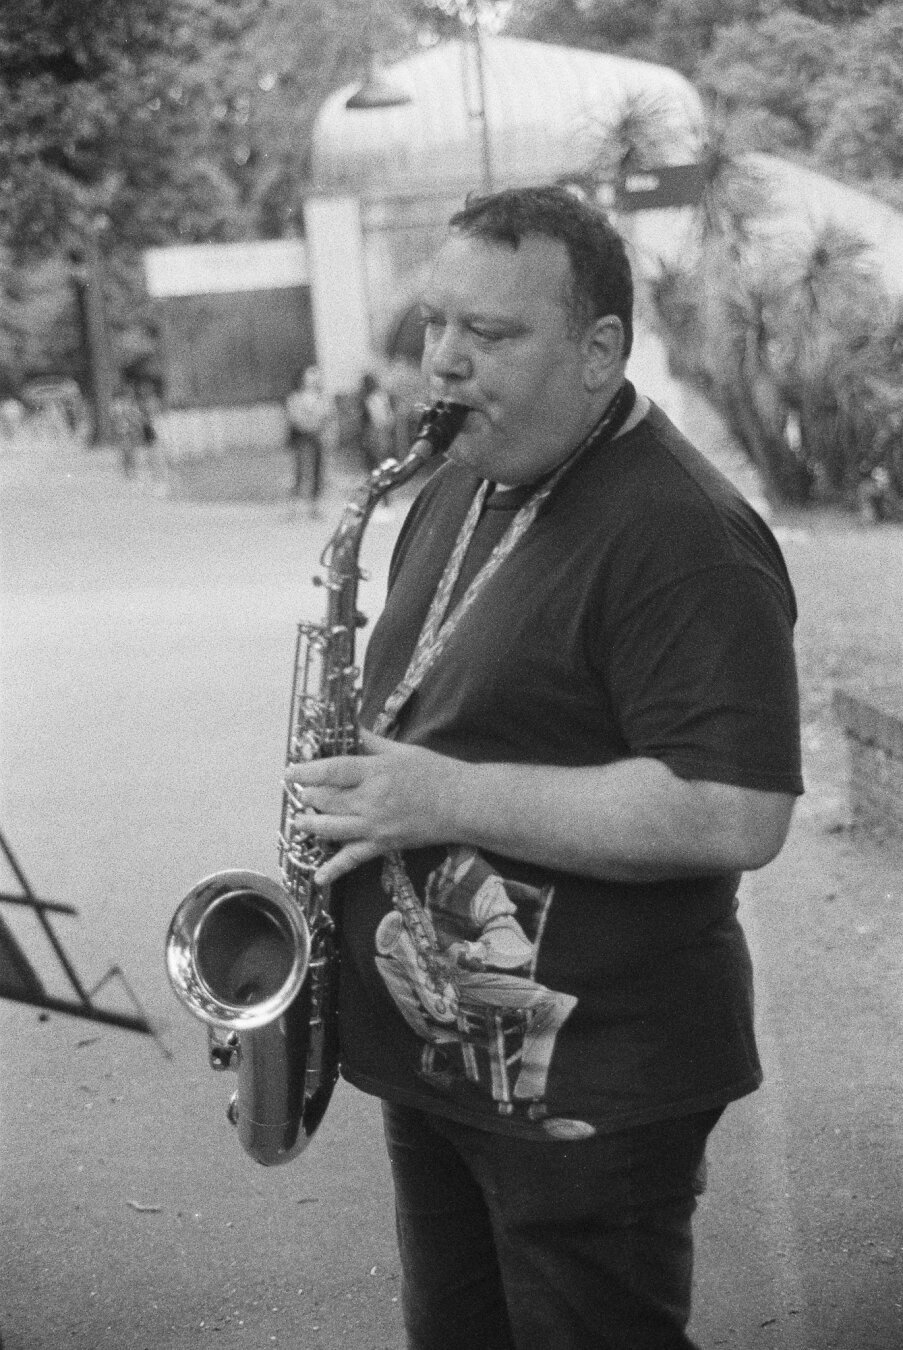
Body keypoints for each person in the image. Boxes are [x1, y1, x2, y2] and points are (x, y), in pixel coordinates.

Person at [286, 185, 803, 1349]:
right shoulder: (461, 481)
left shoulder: (685, 534)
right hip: (442, 1062)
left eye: (495, 335)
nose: (446, 365)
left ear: (599, 350)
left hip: (590, 1092)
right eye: (437, 326)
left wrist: (442, 794)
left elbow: (735, 810)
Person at [285, 365, 335, 513]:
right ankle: (296, 503)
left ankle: (315, 504)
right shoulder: (295, 397)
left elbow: (328, 414)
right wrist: (308, 423)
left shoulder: (323, 397)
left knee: (318, 469)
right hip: (302, 437)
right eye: (310, 375)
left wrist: (317, 424)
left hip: (318, 436)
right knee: (300, 469)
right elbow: (293, 416)